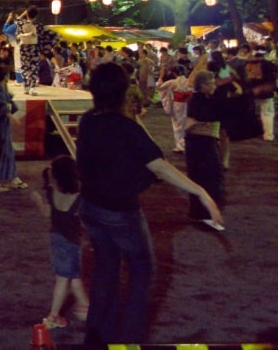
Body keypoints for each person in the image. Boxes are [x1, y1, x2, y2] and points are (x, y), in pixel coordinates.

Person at [75, 62, 223, 344]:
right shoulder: (125, 127)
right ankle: (130, 338)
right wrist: (201, 192)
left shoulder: (89, 120)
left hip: (90, 206)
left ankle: (97, 337)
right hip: (118, 210)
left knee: (106, 268)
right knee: (142, 270)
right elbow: (160, 167)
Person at [32, 155, 89, 330]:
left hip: (55, 240)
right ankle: (53, 316)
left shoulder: (51, 192)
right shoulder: (79, 198)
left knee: (72, 276)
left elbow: (47, 214)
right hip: (72, 243)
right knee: (64, 279)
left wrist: (38, 201)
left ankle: (85, 305)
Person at [183, 71, 226, 230]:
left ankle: (201, 213)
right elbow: (212, 113)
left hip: (202, 141)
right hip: (201, 142)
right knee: (207, 177)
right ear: (201, 85)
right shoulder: (198, 100)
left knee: (207, 177)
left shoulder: (203, 99)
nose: (214, 86)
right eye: (211, 84)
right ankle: (205, 214)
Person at [0, 64, 26, 192]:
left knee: (8, 151)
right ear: (5, 76)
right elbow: (2, 106)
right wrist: (12, 117)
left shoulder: (0, 88)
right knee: (0, 152)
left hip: (2, 123)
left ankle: (13, 177)